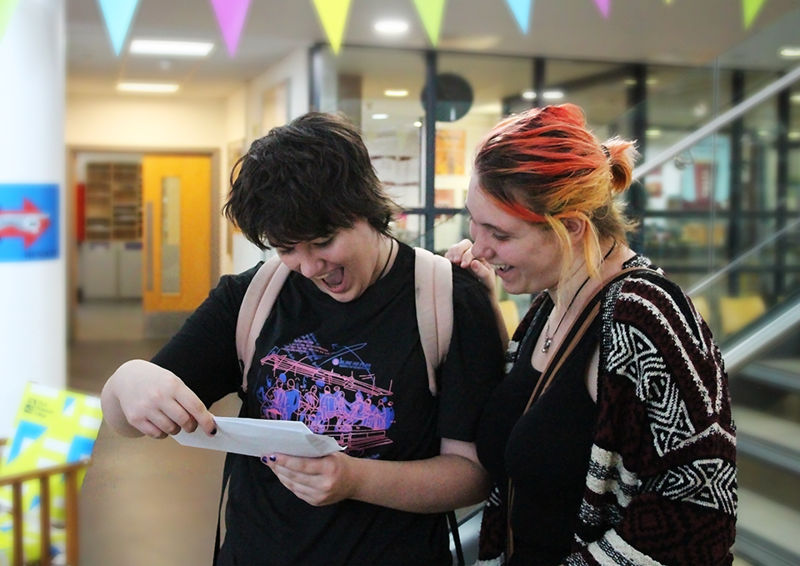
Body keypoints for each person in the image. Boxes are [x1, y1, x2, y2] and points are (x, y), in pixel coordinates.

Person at [100, 112, 506, 566]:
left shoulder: (450, 298)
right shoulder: (251, 297)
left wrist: (354, 479)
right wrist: (125, 381)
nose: (310, 267)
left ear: (368, 210)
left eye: (323, 241)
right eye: (287, 248)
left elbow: (472, 475)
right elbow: (126, 422)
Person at [445, 103, 737, 565]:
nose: (478, 246)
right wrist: (483, 306)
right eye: (473, 221)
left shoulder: (643, 317)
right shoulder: (550, 305)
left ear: (573, 228)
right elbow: (536, 421)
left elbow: (700, 516)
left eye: (499, 234)